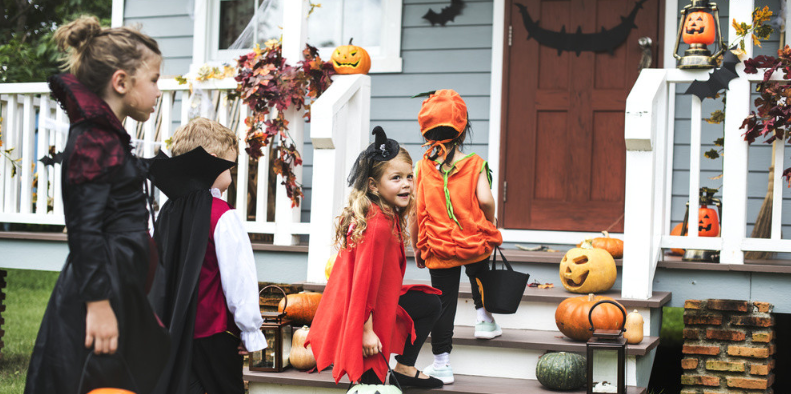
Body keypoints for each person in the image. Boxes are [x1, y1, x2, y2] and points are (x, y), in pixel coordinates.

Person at [25, 15, 170, 394]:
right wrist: (98, 306)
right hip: (102, 288)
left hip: (121, 283)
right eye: (153, 80)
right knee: (93, 382)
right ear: (121, 82)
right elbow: (84, 229)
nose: (159, 91)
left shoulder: (108, 137)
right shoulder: (93, 141)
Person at [306, 127, 444, 389]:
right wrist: (366, 332)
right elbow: (363, 285)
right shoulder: (376, 224)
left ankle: (403, 368)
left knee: (428, 303)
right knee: (369, 384)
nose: (406, 183)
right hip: (363, 311)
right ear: (373, 185)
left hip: (381, 299)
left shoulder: (384, 212)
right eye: (396, 178)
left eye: (409, 176)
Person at [147, 118, 266, 394]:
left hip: (174, 331)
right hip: (215, 335)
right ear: (213, 161)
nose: (231, 176)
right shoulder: (222, 215)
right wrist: (249, 331)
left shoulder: (167, 213)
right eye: (230, 166)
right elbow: (239, 279)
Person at [410, 89, 503, 385]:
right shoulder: (475, 163)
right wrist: (491, 221)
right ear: (463, 129)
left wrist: (416, 245)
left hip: (438, 247)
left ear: (426, 131)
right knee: (479, 274)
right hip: (473, 241)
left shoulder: (423, 166)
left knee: (444, 303)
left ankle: (442, 363)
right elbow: (486, 201)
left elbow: (415, 211)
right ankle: (484, 320)